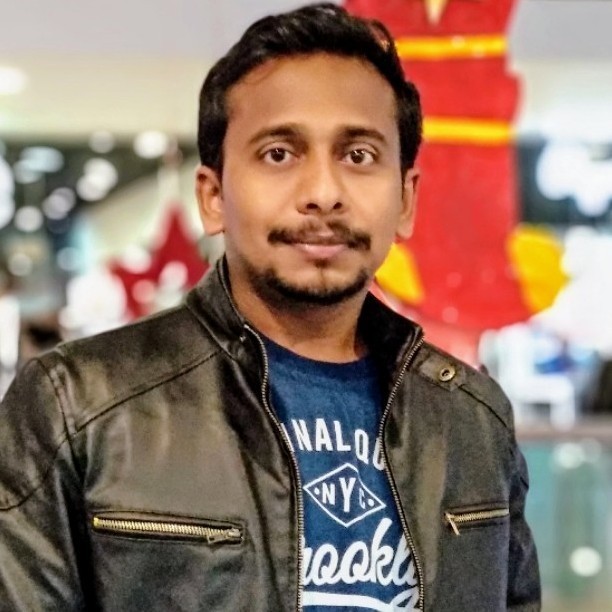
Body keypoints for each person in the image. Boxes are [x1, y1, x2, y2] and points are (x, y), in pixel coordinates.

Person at [0, 3, 540, 611]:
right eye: (279, 153)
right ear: (213, 197)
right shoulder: (78, 406)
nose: (323, 194)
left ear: (406, 199)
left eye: (359, 155)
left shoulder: (473, 419)